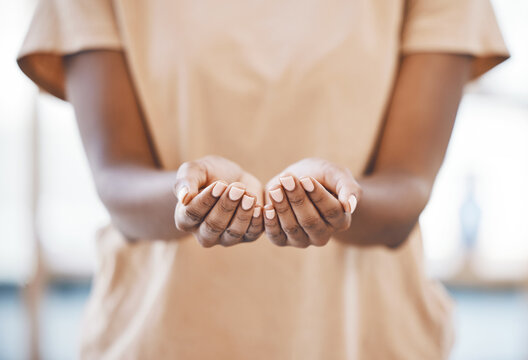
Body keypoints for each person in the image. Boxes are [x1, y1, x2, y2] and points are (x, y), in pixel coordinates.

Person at [18, 0, 508, 358]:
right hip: (157, 340)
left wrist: (341, 201)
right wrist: (186, 196)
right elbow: (116, 181)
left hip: (366, 340)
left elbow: (408, 186)